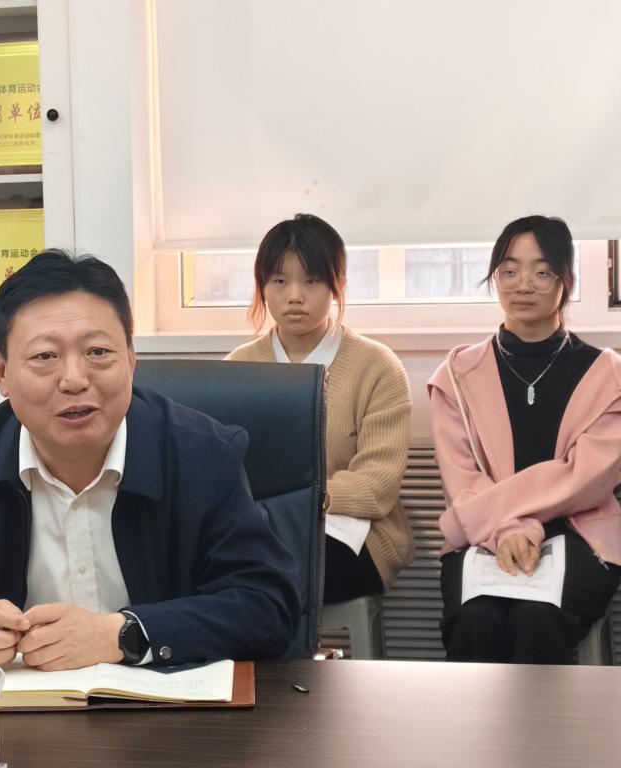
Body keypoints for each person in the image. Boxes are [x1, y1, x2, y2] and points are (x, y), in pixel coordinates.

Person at [0, 249, 301, 670]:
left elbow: (267, 603)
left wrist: (121, 635)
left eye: (98, 352)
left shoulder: (202, 455)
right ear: (1, 372)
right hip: (15, 725)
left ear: (131, 359)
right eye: (45, 357)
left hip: (162, 720)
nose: (74, 379)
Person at [429, 215, 621, 663]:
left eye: (542, 272)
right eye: (509, 271)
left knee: (538, 618)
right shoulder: (457, 374)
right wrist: (510, 529)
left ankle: (546, 717)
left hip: (581, 533)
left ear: (566, 280)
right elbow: (462, 479)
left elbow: (585, 478)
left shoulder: (608, 375)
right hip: (483, 534)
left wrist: (523, 525)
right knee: (476, 620)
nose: (523, 285)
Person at [226, 213, 413, 605]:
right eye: (279, 281)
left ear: (336, 285)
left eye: (311, 281)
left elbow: (377, 485)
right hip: (259, 529)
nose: (295, 295)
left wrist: (300, 502)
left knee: (272, 574)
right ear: (262, 286)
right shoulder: (239, 367)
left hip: (357, 537)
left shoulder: (377, 366)